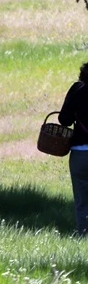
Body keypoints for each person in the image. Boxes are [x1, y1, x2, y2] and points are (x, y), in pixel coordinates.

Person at [59, 61, 88, 237]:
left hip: (81, 153)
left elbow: (64, 120)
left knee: (82, 201)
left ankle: (84, 237)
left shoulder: (78, 89)